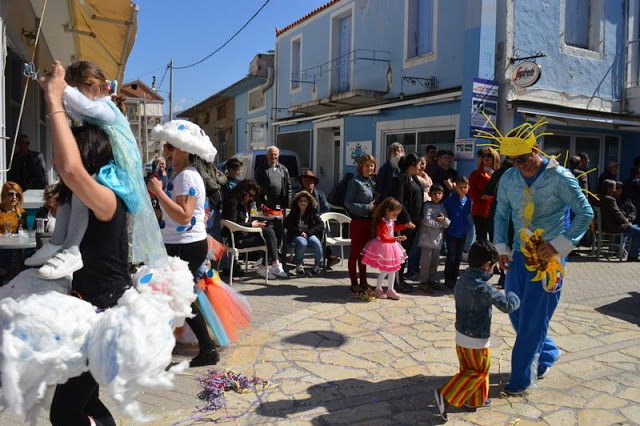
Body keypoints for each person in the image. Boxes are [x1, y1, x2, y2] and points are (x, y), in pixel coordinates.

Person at [40, 60, 132, 425]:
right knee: (86, 403)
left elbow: (69, 169)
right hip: (86, 314)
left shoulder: (107, 198)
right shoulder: (85, 199)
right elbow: (69, 170)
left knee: (65, 412)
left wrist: (53, 98)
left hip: (103, 321)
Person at [478, 118, 593, 396]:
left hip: (549, 262)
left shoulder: (559, 177)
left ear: (536, 149)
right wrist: (502, 250)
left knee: (532, 321)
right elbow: (502, 213)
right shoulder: (508, 178)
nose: (519, 165)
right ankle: (548, 351)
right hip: (517, 256)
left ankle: (521, 379)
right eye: (513, 160)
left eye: (523, 158)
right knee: (516, 311)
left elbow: (585, 213)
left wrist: (558, 245)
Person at [27, 59, 164, 279]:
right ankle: (58, 241)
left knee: (79, 190)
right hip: (109, 168)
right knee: (68, 191)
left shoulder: (107, 109)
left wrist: (60, 90)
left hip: (121, 171)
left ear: (95, 88)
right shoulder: (93, 112)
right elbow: (74, 111)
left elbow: (82, 107)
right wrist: (50, 88)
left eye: (77, 91)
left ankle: (72, 248)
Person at [146, 120, 221, 368]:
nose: (167, 149)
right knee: (177, 298)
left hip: (184, 247)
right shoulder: (182, 175)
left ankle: (169, 352)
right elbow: (174, 215)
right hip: (182, 244)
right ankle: (205, 348)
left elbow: (184, 215)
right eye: (166, 145)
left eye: (172, 146)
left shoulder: (186, 177)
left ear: (186, 150)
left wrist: (158, 191)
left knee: (173, 298)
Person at [433, 240, 520, 420]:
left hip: (461, 335)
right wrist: (514, 291)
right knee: (479, 372)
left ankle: (475, 399)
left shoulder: (462, 279)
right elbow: (508, 305)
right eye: (493, 267)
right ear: (487, 265)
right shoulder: (484, 288)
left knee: (468, 368)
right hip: (477, 339)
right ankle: (445, 395)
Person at [221, 179, 287, 279]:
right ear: (243, 192)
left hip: (244, 234)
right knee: (269, 238)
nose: (251, 199)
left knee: (269, 232)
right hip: (236, 238)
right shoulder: (233, 202)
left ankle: (272, 264)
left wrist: (254, 225)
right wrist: (251, 225)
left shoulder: (245, 202)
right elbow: (233, 223)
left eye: (253, 197)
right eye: (250, 195)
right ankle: (268, 265)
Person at [361, 197, 413, 300]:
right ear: (387, 211)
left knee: (393, 270)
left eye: (396, 215)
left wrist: (404, 226)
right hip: (384, 247)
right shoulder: (382, 223)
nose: (395, 216)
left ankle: (390, 289)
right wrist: (396, 238)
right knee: (384, 270)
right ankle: (378, 289)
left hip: (391, 246)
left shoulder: (390, 221)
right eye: (394, 214)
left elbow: (393, 228)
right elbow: (384, 238)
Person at [345, 155, 377, 296]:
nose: (369, 168)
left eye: (371, 165)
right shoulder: (355, 181)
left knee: (364, 254)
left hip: (369, 222)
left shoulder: (371, 180)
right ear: (361, 166)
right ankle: (354, 283)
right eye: (366, 165)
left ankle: (363, 281)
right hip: (358, 221)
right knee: (354, 254)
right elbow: (348, 203)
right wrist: (366, 207)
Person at [391, 152, 423, 292]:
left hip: (414, 222)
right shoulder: (400, 179)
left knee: (406, 252)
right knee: (400, 252)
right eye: (418, 164)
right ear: (411, 165)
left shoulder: (414, 178)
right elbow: (399, 202)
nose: (420, 166)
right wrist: (407, 220)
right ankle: (397, 281)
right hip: (404, 223)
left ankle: (401, 278)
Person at [297, 169, 341, 267]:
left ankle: (328, 257)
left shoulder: (320, 195)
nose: (309, 183)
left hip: (317, 222)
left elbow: (326, 209)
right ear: (302, 182)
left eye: (311, 180)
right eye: (307, 180)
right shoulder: (298, 195)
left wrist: (319, 216)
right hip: (302, 224)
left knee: (323, 228)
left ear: (315, 183)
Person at [284, 191, 324, 276]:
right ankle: (299, 265)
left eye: (305, 201)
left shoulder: (312, 211)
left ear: (308, 202)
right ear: (297, 202)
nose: (303, 203)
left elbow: (321, 224)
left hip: (309, 233)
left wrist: (308, 233)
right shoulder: (294, 211)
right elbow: (287, 223)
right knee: (302, 243)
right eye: (301, 201)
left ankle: (318, 266)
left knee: (317, 243)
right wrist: (299, 232)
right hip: (297, 234)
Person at [406, 154, 433, 279]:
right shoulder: (413, 177)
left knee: (419, 242)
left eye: (424, 163)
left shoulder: (420, 176)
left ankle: (414, 267)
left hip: (423, 211)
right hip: (414, 215)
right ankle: (410, 269)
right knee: (413, 243)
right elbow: (427, 185)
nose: (422, 166)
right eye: (419, 163)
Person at [599, 179, 640, 261]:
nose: (616, 190)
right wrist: (626, 221)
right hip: (614, 226)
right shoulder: (610, 200)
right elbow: (617, 214)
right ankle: (632, 255)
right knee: (638, 232)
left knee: (635, 228)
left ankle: (626, 251)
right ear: (609, 189)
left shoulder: (601, 197)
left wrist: (629, 219)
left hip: (614, 224)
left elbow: (632, 210)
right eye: (614, 187)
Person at [418, 184, 449, 292]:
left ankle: (432, 280)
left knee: (434, 262)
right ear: (430, 194)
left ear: (442, 195)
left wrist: (443, 220)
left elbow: (447, 222)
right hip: (427, 239)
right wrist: (440, 224)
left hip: (438, 240)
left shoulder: (442, 207)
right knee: (425, 263)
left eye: (439, 193)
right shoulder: (427, 206)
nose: (437, 195)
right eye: (434, 193)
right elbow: (426, 221)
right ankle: (424, 282)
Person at [443, 176, 472, 289]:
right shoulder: (450, 199)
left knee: (458, 256)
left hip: (462, 231)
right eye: (461, 187)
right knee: (451, 256)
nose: (463, 190)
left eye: (465, 187)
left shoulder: (468, 200)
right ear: (456, 187)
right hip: (451, 232)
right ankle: (448, 278)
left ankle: (454, 278)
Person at [469, 147, 499, 241]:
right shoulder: (475, 174)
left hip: (495, 211)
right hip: (480, 210)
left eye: (489, 156)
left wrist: (493, 176)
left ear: (494, 157)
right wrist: (482, 196)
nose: (486, 158)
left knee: (494, 238)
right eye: (483, 156)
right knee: (481, 238)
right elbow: (471, 191)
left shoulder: (500, 173)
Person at [256, 145, 292, 210]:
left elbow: (288, 187)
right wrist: (259, 203)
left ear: (278, 155)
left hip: (281, 203)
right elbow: (257, 186)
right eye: (271, 154)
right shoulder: (261, 169)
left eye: (275, 154)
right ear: (267, 155)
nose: (273, 157)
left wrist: (289, 203)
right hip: (266, 204)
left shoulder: (284, 169)